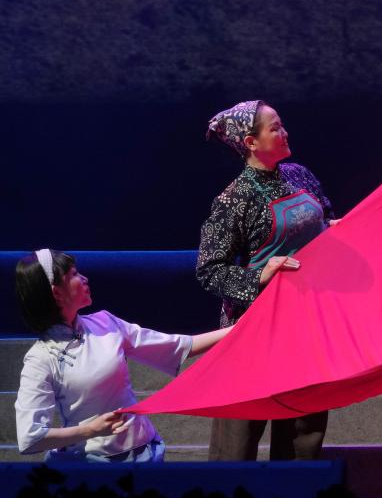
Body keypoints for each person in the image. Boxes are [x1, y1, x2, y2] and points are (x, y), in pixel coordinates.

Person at [197, 100, 337, 460]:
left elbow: (326, 217)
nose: (285, 132)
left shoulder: (299, 175)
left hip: (307, 319)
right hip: (255, 327)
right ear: (251, 142)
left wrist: (335, 230)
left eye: (282, 124)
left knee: (302, 431)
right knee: (238, 436)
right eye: (275, 128)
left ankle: (296, 493)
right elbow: (209, 270)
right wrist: (259, 274)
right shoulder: (234, 199)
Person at [14, 249, 229, 462]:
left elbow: (177, 346)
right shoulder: (41, 358)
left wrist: (239, 329)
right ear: (56, 293)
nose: (84, 278)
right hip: (92, 466)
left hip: (145, 452)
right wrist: (90, 430)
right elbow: (30, 438)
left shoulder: (105, 323)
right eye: (74, 274)